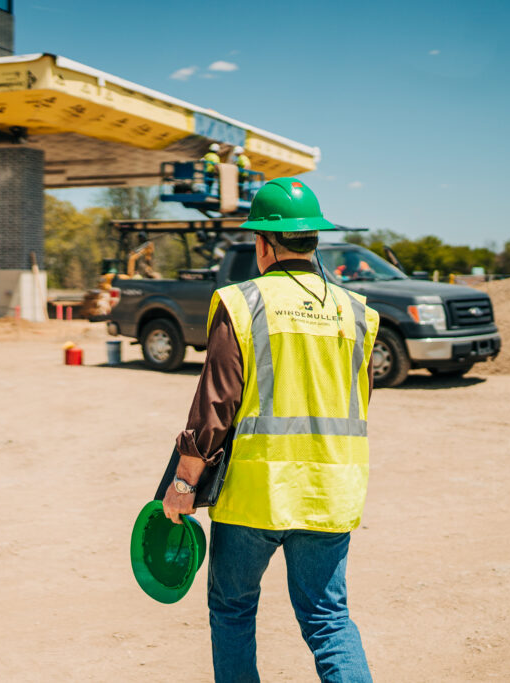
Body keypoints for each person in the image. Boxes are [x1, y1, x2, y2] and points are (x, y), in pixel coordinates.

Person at [162, 178, 380, 682]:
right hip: (330, 492)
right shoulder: (357, 313)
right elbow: (360, 398)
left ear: (263, 243)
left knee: (234, 612)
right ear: (315, 240)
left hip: (254, 496)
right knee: (328, 620)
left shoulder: (242, 303)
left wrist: (183, 483)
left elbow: (216, 404)